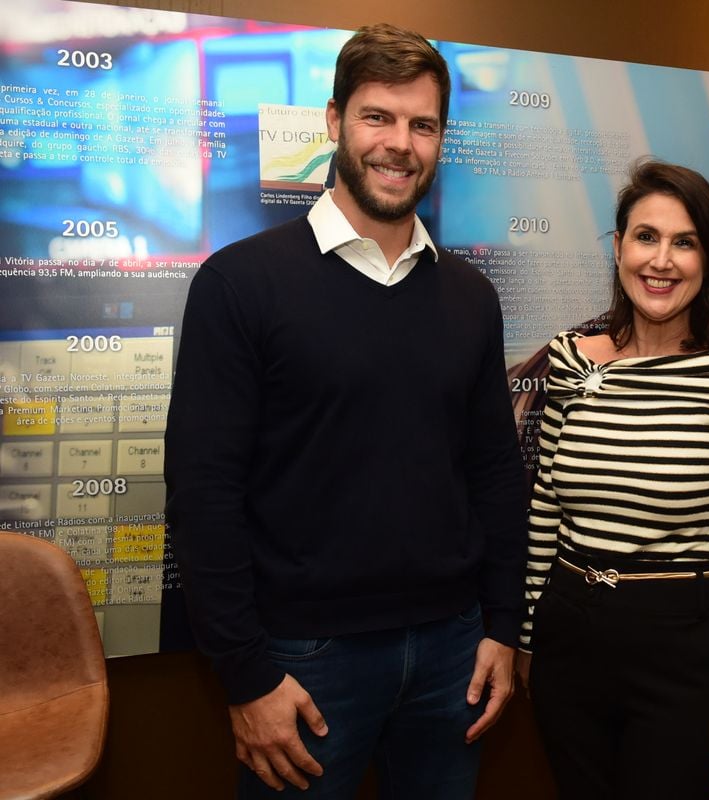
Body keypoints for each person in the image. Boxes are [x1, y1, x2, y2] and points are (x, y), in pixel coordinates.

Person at [164, 24, 527, 799]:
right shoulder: (240, 285)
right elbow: (203, 494)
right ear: (334, 122)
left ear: (440, 138)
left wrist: (501, 625)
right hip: (304, 660)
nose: (400, 144)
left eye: (422, 124)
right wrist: (246, 676)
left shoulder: (470, 297)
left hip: (452, 656)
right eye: (378, 117)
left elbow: (495, 469)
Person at [515, 160, 709, 799]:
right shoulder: (572, 361)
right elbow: (547, 508)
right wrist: (530, 638)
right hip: (569, 633)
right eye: (646, 237)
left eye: (684, 242)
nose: (661, 260)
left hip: (683, 646)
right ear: (617, 249)